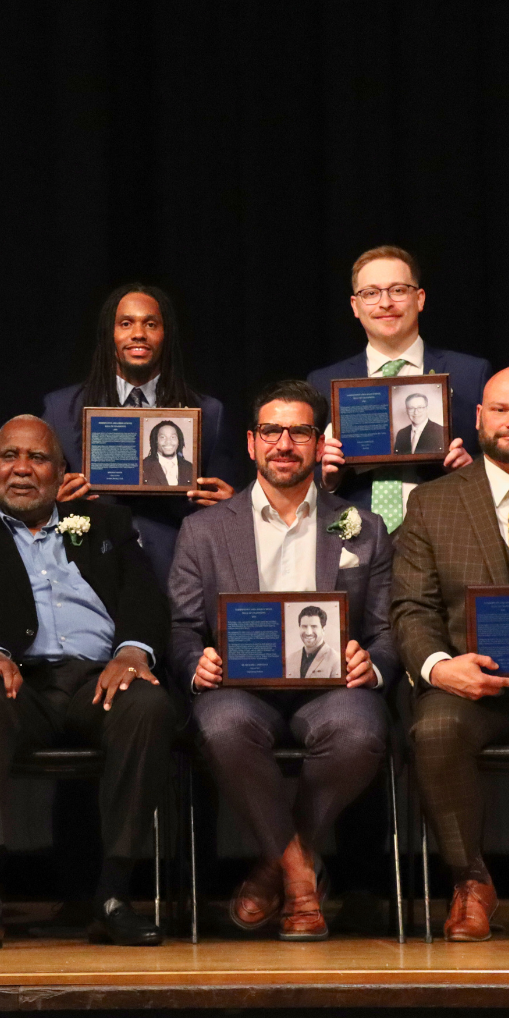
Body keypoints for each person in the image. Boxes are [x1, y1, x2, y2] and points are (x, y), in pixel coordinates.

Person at [0, 416, 174, 952]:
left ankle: (113, 895)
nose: (21, 469)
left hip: (97, 680)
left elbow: (146, 597)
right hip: (19, 685)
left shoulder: (106, 523)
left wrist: (132, 651)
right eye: (9, 456)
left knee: (148, 703)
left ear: (61, 474)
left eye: (37, 458)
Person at [169, 380, 398, 940]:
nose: (285, 444)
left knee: (360, 733)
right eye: (272, 431)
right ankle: (300, 877)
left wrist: (372, 662)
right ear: (251, 443)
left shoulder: (364, 527)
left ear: (319, 444)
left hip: (333, 690)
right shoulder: (204, 530)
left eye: (300, 432)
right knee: (220, 727)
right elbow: (182, 627)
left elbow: (387, 630)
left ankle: (278, 867)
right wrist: (195, 662)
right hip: (240, 690)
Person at [393, 367, 509, 941]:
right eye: (500, 410)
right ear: (479, 418)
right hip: (473, 692)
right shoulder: (431, 503)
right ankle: (470, 882)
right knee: (434, 730)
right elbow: (411, 608)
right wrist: (438, 667)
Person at [42, 283, 237, 584]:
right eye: (125, 323)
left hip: (177, 574)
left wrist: (230, 507)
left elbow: (228, 512)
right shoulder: (61, 410)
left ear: (166, 335)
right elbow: (34, 501)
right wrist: (51, 501)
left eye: (150, 324)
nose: (138, 334)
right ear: (109, 334)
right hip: (88, 572)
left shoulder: (209, 414)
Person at [307, 245, 490, 531]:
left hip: (448, 532)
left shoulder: (470, 374)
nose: (385, 303)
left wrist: (470, 472)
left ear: (419, 298)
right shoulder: (322, 383)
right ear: (355, 306)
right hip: (353, 538)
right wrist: (328, 479)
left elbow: (501, 463)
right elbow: (302, 475)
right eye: (371, 293)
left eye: (398, 290)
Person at [285, 606, 342, 679]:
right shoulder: (290, 659)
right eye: (304, 626)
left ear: (323, 629)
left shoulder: (337, 660)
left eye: (314, 626)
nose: (308, 632)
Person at [141, 420, 193, 488]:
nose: (168, 442)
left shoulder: (190, 468)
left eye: (173, 437)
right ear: (155, 440)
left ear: (179, 441)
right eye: (163, 437)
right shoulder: (143, 467)